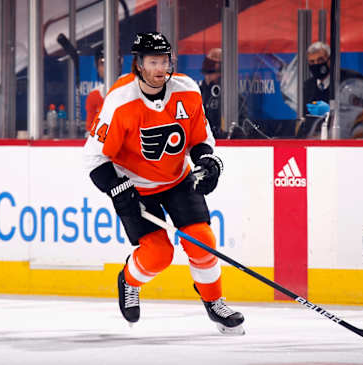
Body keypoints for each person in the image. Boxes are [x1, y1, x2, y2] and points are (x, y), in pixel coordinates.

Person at [83, 32, 245, 335]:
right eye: (153, 61)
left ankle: (214, 301)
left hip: (177, 179)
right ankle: (129, 281)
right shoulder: (120, 101)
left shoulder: (186, 91)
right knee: (158, 254)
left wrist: (207, 162)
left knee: (203, 240)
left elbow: (199, 140)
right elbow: (94, 159)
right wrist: (117, 188)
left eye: (165, 60)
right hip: (135, 187)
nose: (161, 68)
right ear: (139, 65)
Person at [304, 41, 363, 116]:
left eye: (320, 60)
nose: (316, 64)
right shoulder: (307, 86)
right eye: (312, 62)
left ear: (329, 61)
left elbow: (361, 111)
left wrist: (330, 111)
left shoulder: (351, 79)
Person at [198, 48, 249, 138]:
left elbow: (243, 124)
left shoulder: (232, 95)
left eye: (212, 73)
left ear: (222, 72)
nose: (208, 77)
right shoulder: (199, 93)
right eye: (206, 73)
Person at [85, 45, 123, 133]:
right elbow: (90, 129)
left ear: (120, 63)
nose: (107, 67)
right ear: (97, 66)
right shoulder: (94, 95)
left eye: (113, 62)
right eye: (102, 63)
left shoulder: (130, 91)